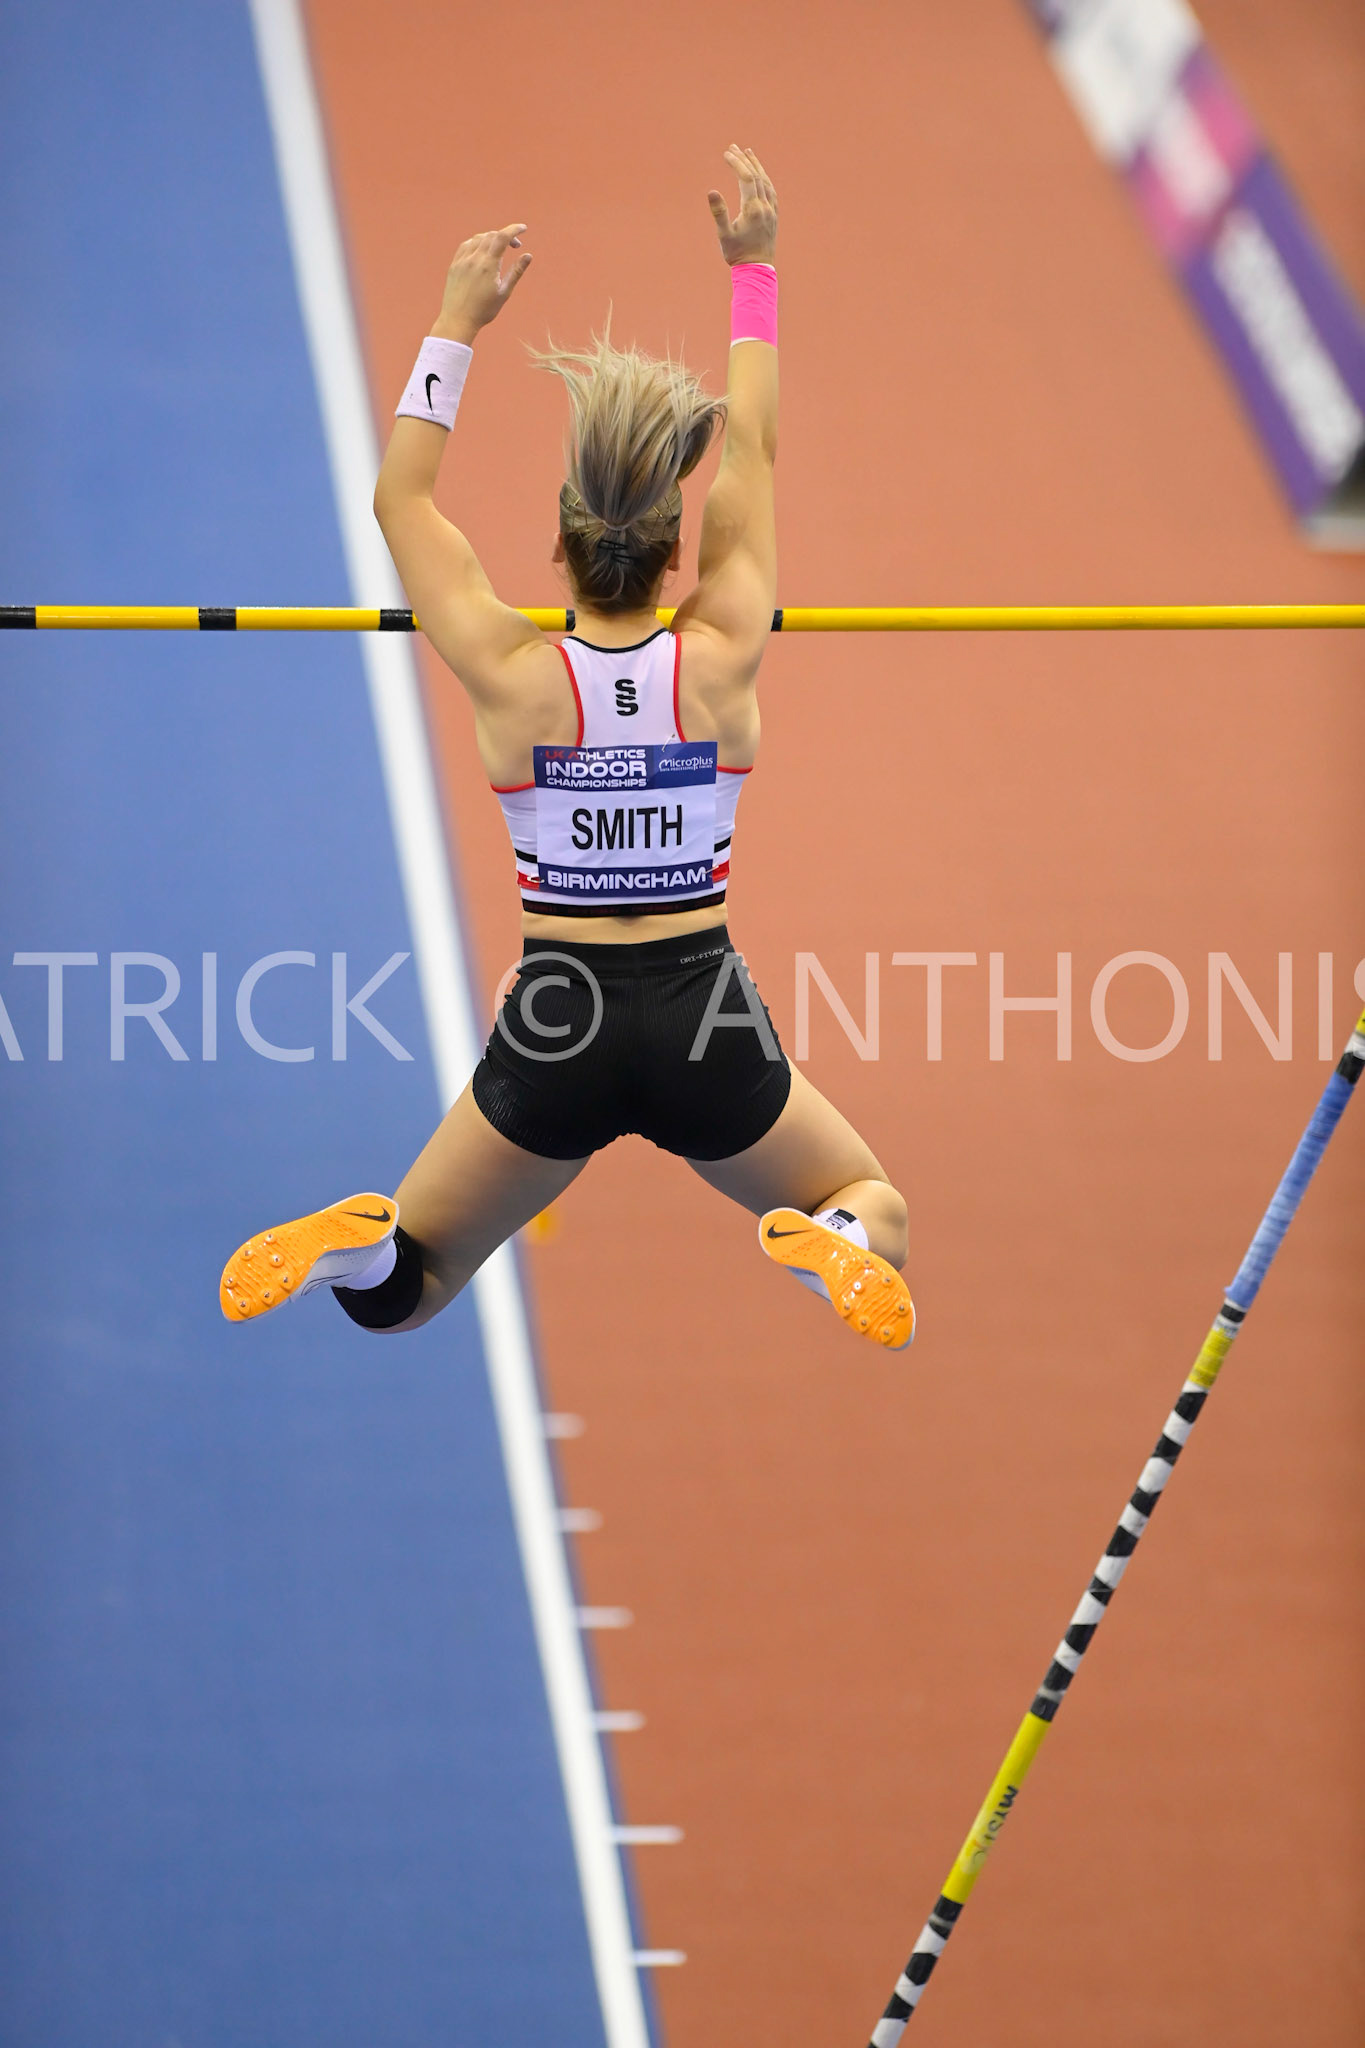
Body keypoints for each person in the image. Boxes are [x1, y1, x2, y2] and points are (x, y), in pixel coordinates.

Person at [220, 147, 914, 1351]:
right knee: (874, 1202)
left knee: (412, 1287)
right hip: (704, 1013)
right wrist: (754, 274)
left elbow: (402, 504)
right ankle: (836, 1251)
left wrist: (456, 322)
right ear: (671, 546)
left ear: (562, 544)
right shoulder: (723, 653)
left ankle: (369, 1243)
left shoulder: (515, 676)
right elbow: (750, 457)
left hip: (560, 1019)